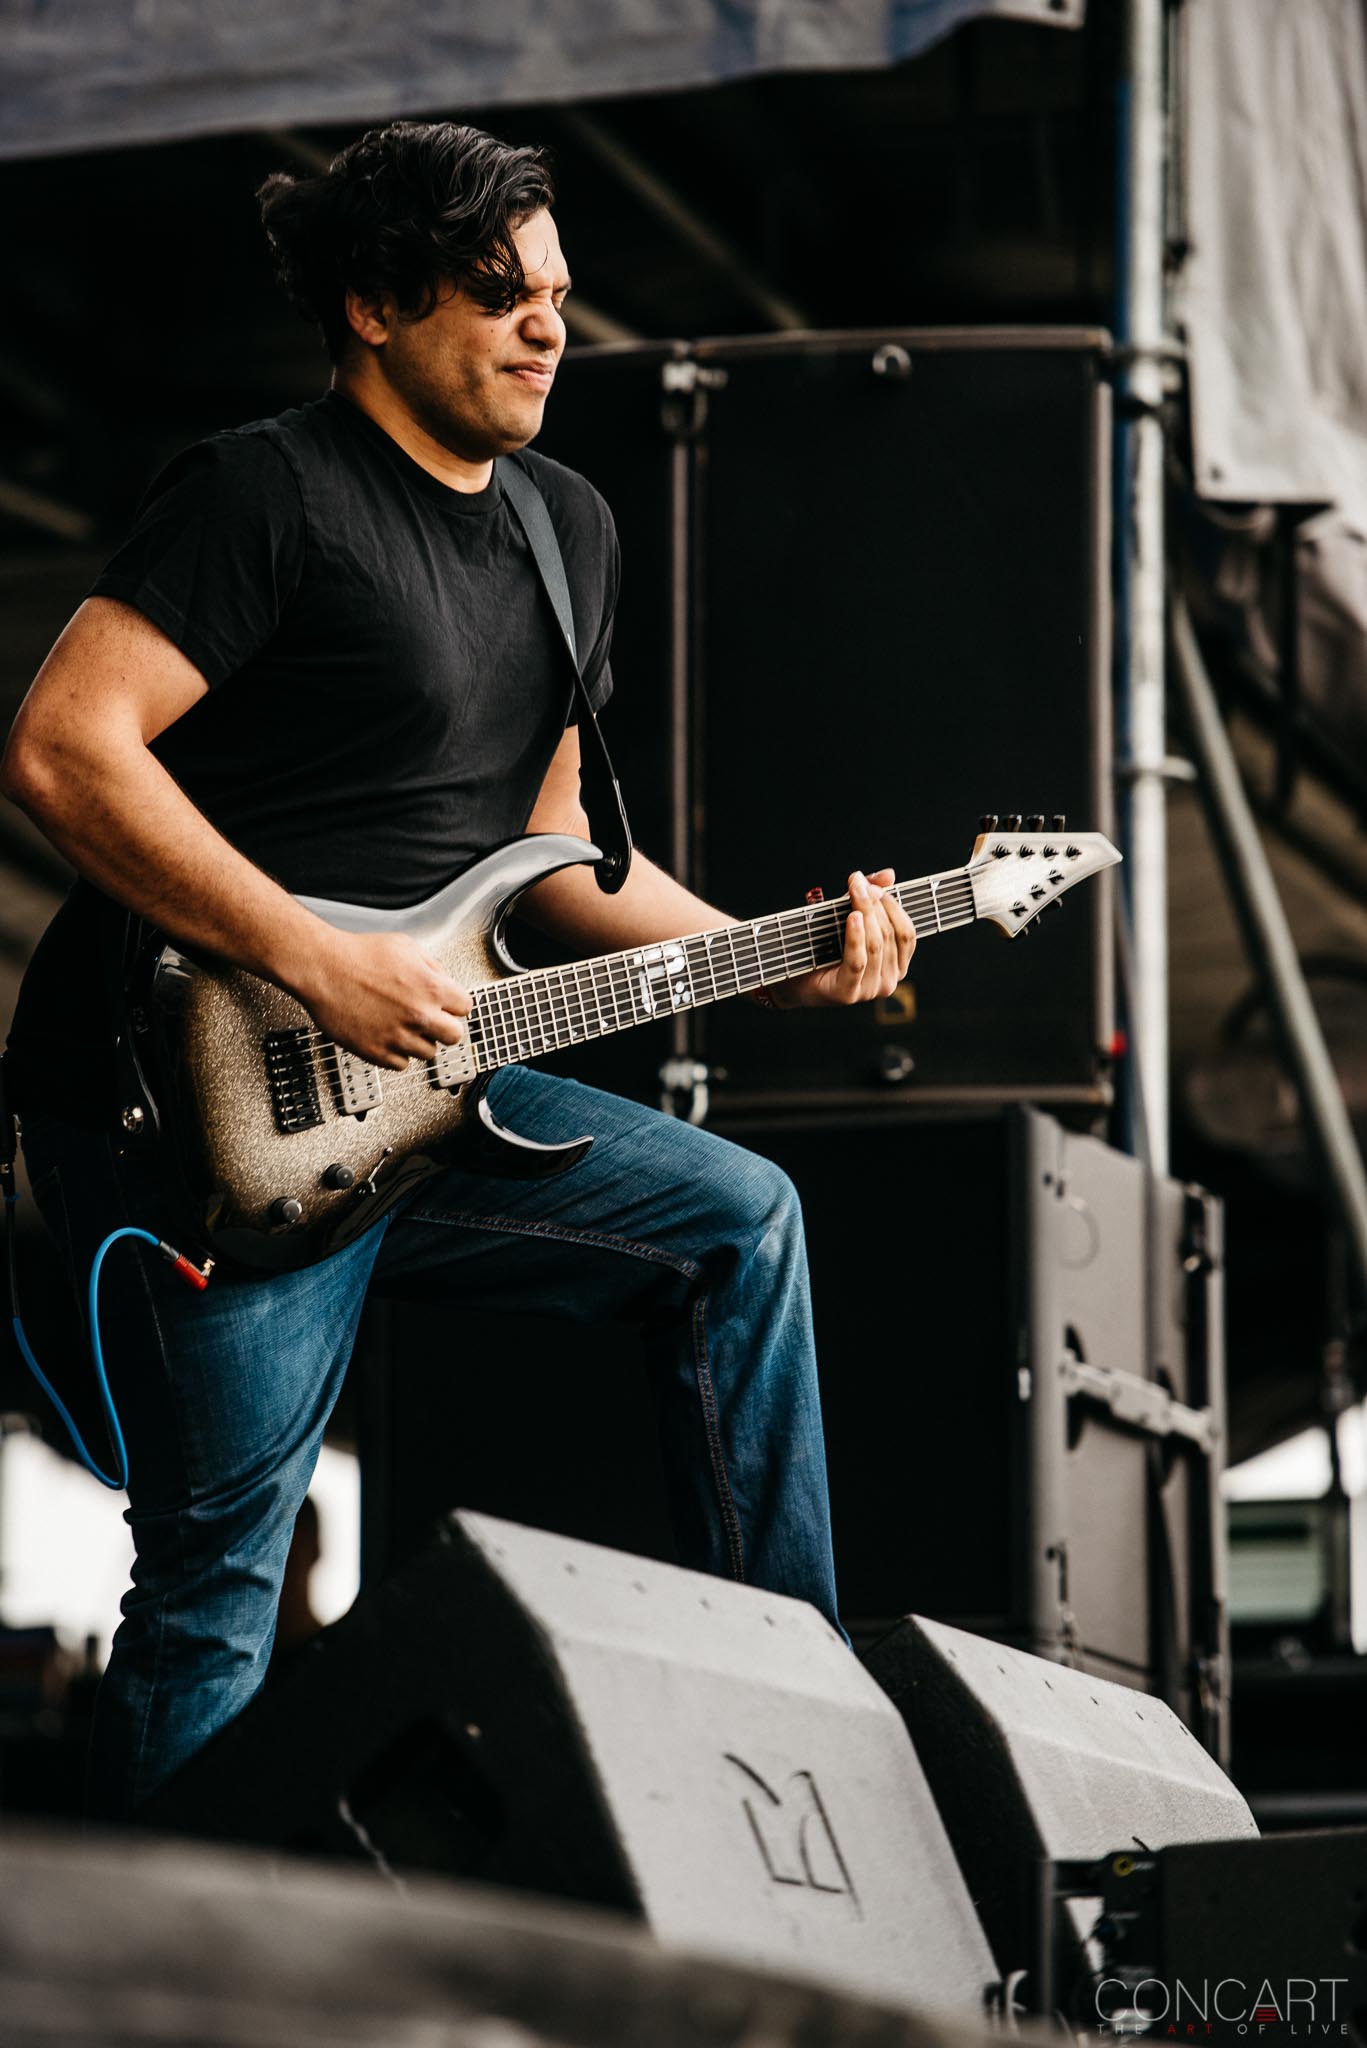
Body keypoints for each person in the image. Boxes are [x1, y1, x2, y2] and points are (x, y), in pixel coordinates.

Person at [0, 120, 916, 1823]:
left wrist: (771, 963)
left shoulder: (568, 532)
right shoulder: (262, 492)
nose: (548, 327)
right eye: (498, 295)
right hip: (200, 1114)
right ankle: (167, 1994)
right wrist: (313, 960)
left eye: (560, 294)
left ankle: (806, 1742)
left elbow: (563, 861)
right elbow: (63, 751)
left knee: (741, 1222)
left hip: (429, 1093)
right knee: (217, 1583)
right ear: (371, 305)